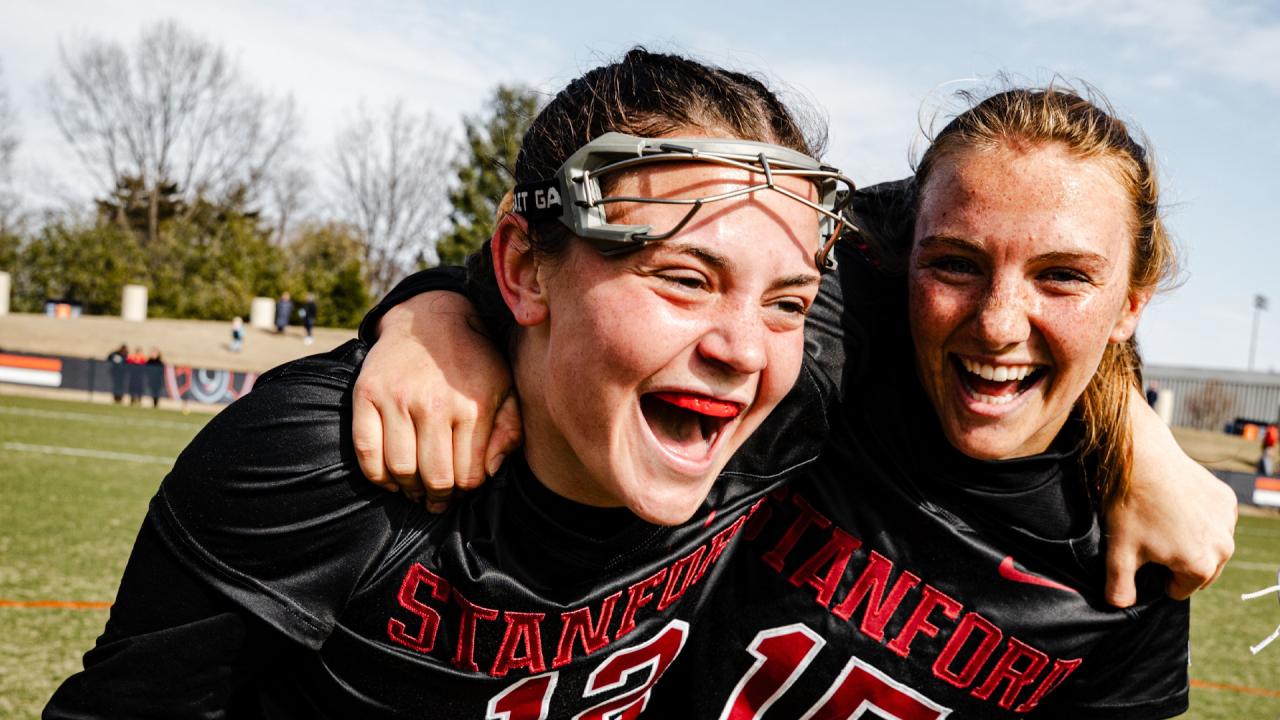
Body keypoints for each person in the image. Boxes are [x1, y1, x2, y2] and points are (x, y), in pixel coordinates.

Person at [350, 84, 1236, 717]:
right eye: (954, 265)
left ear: (1133, 302)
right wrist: (437, 320)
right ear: (902, 261)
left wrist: (1134, 432)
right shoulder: (825, 358)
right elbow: (570, 273)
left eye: (1065, 279)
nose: (1000, 324)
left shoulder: (1138, 557)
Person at [46, 49, 854, 718]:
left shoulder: (794, 408)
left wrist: (428, 300)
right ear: (523, 267)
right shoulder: (330, 462)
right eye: (683, 277)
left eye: (788, 300)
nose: (746, 350)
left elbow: (966, 225)